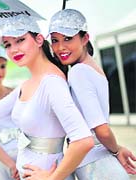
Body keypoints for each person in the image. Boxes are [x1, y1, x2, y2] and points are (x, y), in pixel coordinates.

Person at [0, 15, 95, 180]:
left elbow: (83, 140)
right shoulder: (27, 84)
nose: (13, 49)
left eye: (20, 40)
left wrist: (52, 178)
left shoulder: (52, 83)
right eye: (8, 44)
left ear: (39, 39)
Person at [23, 9, 136, 180]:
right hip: (100, 164)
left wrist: (117, 149)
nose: (60, 47)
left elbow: (102, 130)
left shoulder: (79, 72)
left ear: (85, 38)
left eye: (68, 38)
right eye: (54, 40)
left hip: (98, 169)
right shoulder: (92, 68)